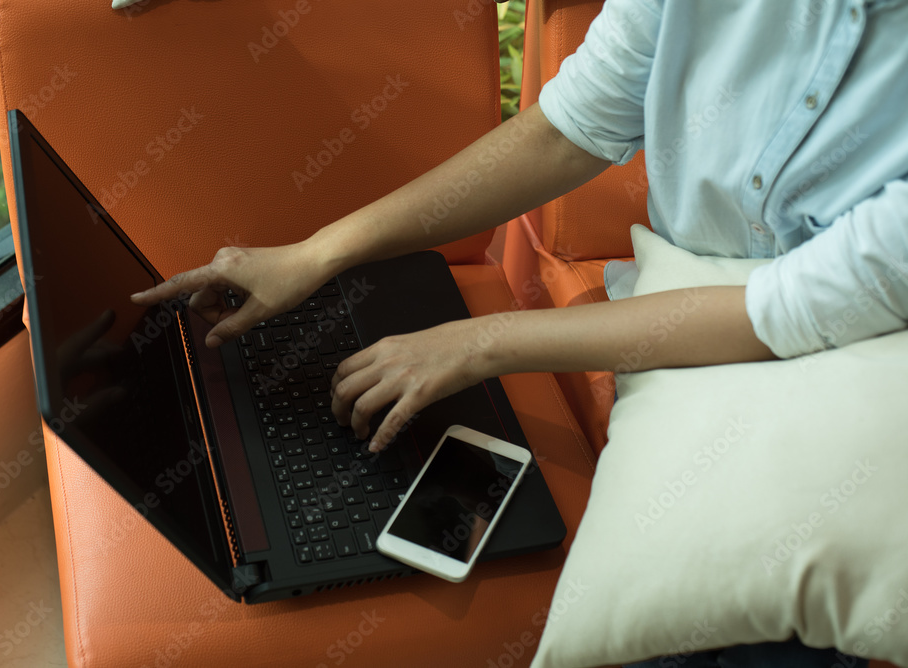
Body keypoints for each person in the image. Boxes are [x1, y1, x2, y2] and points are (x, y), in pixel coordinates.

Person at [132, 0, 907, 664]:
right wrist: (317, 253)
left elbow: (784, 310)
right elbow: (562, 133)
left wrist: (481, 342)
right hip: (718, 311)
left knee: (736, 609)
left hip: (864, 351)